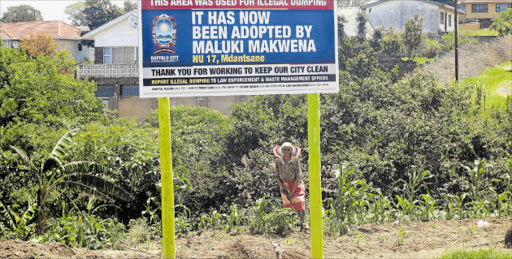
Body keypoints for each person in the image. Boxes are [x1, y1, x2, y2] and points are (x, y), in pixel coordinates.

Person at [273, 142, 309, 231]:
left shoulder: (295, 161)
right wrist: (282, 186)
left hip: (296, 184)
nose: (286, 151)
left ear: (291, 151)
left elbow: (299, 175)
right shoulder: (278, 161)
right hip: (284, 184)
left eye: (288, 149)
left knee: (299, 202)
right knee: (287, 205)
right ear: (281, 151)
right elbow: (277, 175)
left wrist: (292, 191)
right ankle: (289, 226)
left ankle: (302, 224)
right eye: (284, 149)